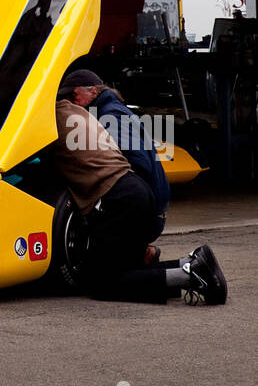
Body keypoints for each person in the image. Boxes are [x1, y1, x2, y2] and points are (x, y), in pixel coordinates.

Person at [54, 85, 227, 305]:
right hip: (135, 190)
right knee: (127, 270)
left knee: (102, 283)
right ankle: (191, 264)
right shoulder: (79, 112)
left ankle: (190, 274)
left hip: (119, 197)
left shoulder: (51, 120)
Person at [57, 68, 169, 238]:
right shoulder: (111, 110)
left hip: (145, 214)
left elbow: (138, 163)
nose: (70, 102)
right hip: (150, 209)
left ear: (94, 91)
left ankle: (143, 253)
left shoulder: (111, 115)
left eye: (73, 96)